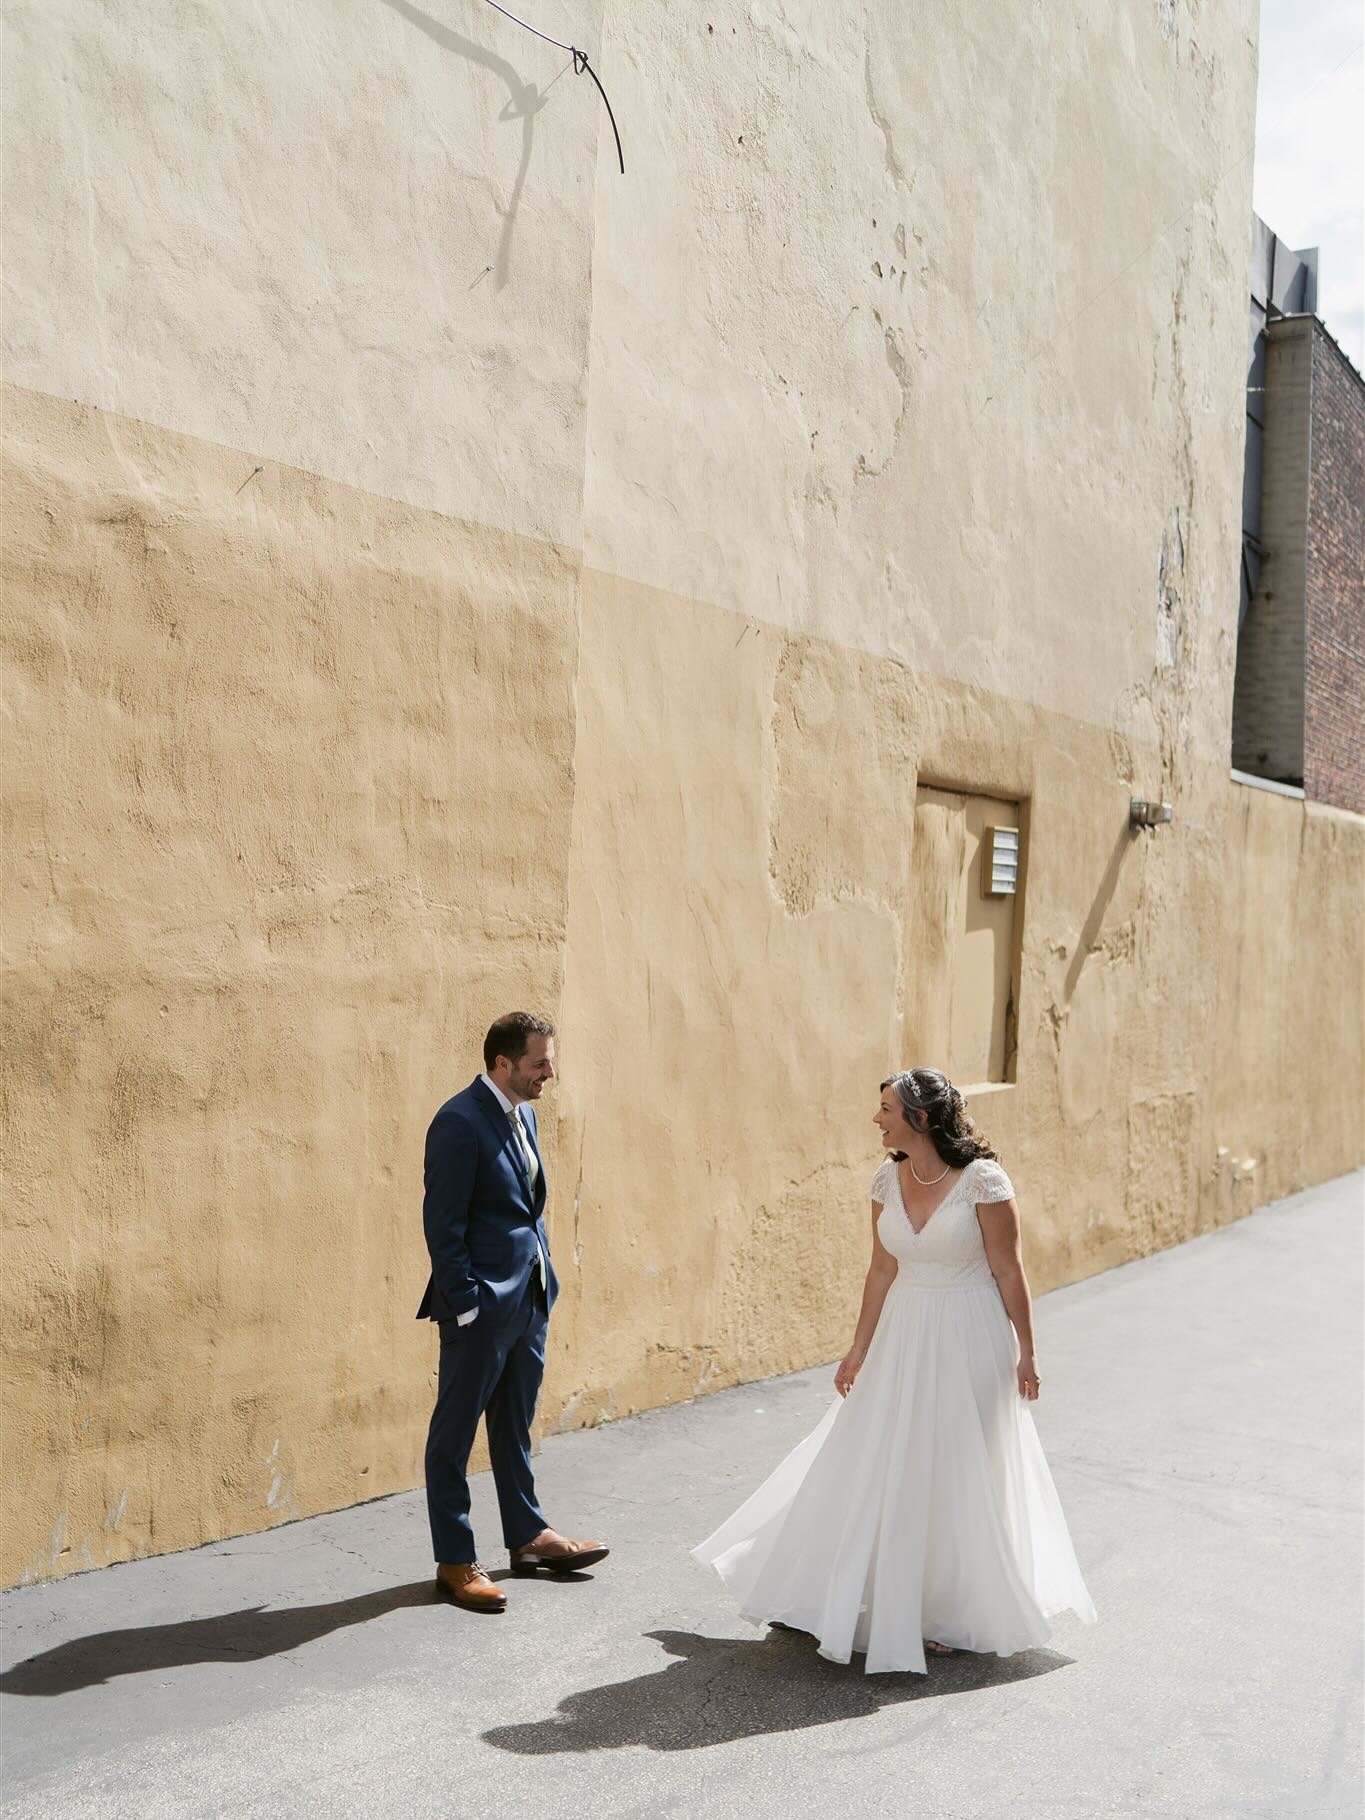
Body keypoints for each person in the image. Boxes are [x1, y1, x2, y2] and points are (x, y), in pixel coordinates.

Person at [693, 1066, 1095, 1673]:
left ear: (922, 1117)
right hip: (905, 1333)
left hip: (970, 1333)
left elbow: (1010, 1271)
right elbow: (881, 1269)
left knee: (956, 1467)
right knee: (880, 1455)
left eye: (886, 1108)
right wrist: (858, 1348)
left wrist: (1027, 1352)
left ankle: (943, 1612)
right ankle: (832, 1585)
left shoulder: (984, 1181)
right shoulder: (886, 1177)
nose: (876, 1118)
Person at [418, 1013, 608, 1612]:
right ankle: (455, 1560)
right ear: (503, 1063)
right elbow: (442, 1224)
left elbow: (525, 1206)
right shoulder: (457, 1122)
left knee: (514, 1424)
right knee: (453, 1434)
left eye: (549, 1060)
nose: (550, 1072)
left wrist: (542, 1279)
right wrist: (467, 1302)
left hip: (528, 1297)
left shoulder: (521, 1113)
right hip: (479, 1306)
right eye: (539, 1063)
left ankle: (527, 1537)